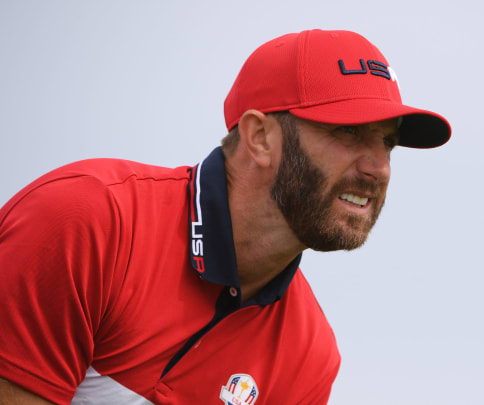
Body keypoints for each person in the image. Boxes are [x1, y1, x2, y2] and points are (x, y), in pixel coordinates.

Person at [0, 29, 451, 404]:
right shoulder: (90, 220)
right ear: (259, 137)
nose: (379, 167)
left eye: (387, 143)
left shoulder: (309, 355)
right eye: (348, 132)